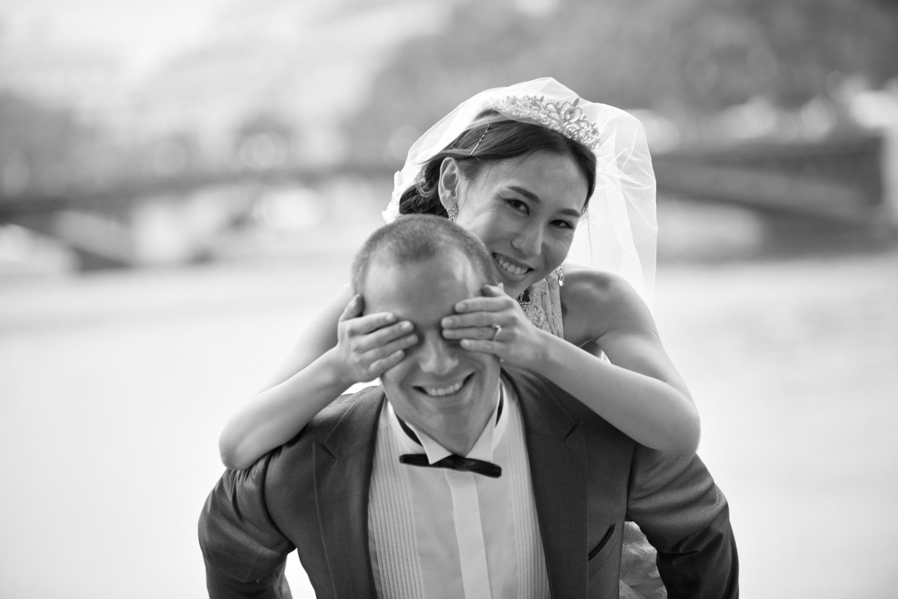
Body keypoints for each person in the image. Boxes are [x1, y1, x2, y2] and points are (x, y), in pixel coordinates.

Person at [219, 78, 694, 597]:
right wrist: (341, 366)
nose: (532, 243)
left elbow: (679, 430)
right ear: (452, 185)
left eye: (562, 223)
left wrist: (538, 349)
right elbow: (241, 443)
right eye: (516, 205)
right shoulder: (383, 295)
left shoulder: (594, 301)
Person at [198, 215, 738, 598]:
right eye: (403, 336)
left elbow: (699, 529)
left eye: (456, 327)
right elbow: (232, 541)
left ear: (495, 306)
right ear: (361, 328)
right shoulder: (297, 467)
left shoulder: (605, 436)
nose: (436, 363)